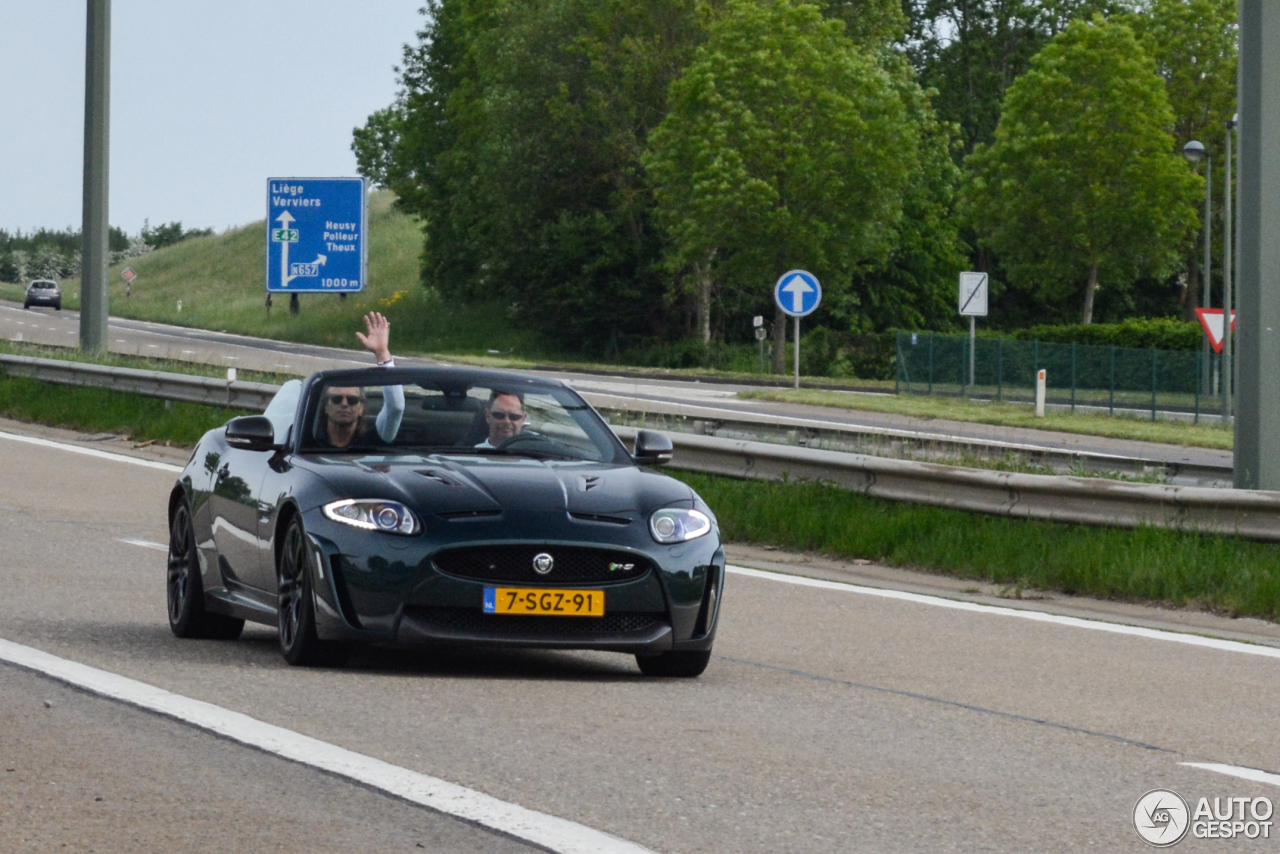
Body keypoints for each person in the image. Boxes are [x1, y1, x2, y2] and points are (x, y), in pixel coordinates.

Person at [318, 312, 405, 449]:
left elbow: (396, 407)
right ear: (326, 407)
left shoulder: (375, 440)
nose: (345, 404)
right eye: (336, 399)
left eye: (352, 400)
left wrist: (382, 353)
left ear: (361, 408)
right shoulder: (308, 438)